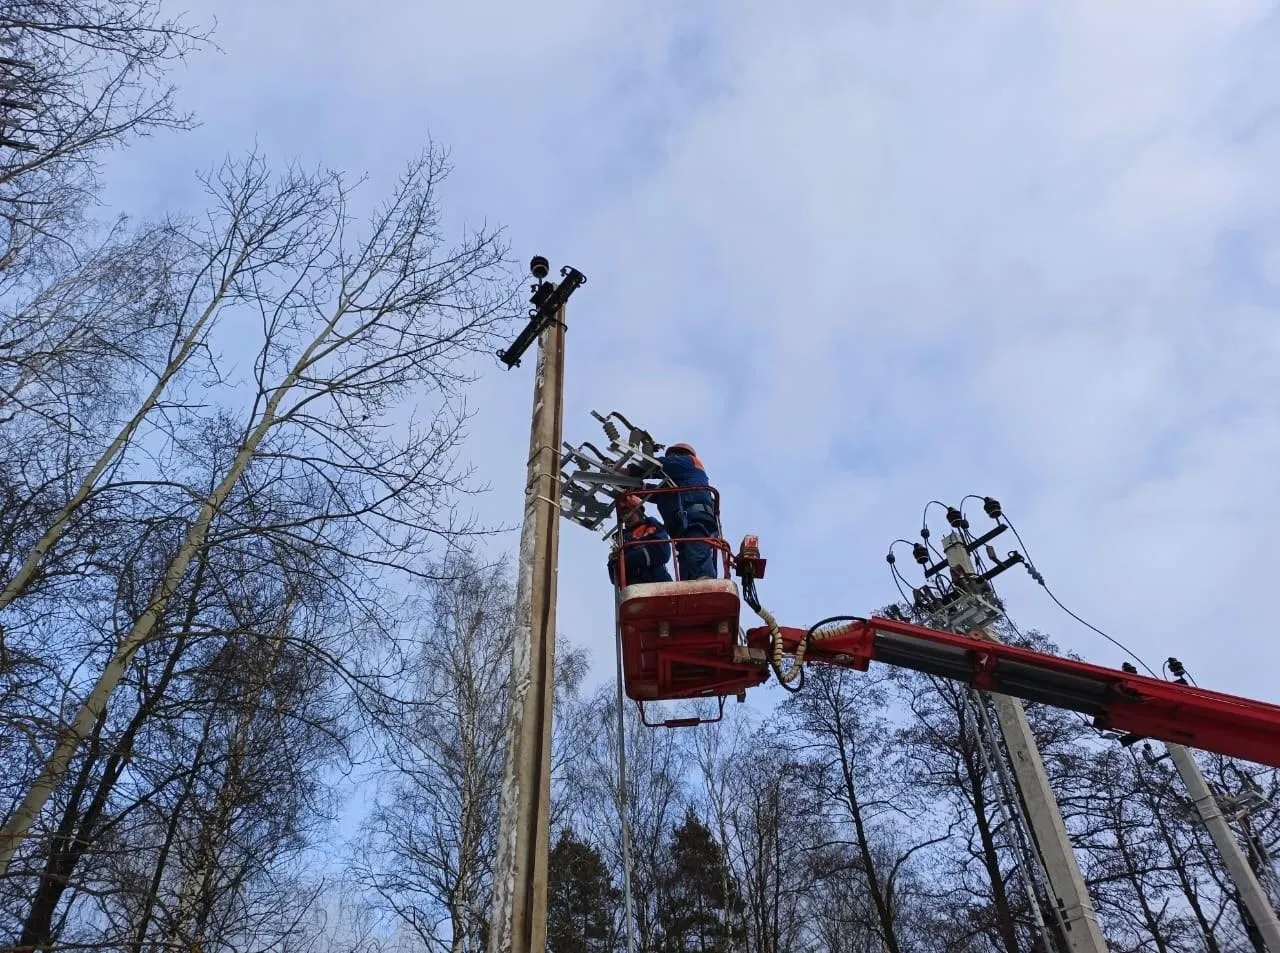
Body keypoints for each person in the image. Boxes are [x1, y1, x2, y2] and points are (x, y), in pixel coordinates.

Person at [649, 443, 722, 581]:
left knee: (696, 552)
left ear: (679, 454)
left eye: (672, 456)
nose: (671, 458)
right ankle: (692, 584)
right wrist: (634, 487)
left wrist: (631, 470)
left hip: (695, 521)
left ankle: (704, 581)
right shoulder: (677, 482)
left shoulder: (688, 462)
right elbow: (656, 494)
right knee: (687, 559)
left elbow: (659, 465)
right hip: (684, 526)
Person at [607, 493, 673, 586]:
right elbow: (615, 578)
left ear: (639, 511)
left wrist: (627, 558)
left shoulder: (652, 527)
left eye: (628, 511)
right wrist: (614, 561)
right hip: (636, 590)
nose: (627, 517)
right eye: (623, 514)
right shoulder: (621, 539)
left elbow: (662, 552)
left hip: (658, 584)